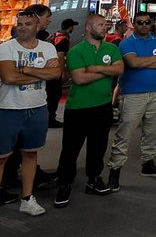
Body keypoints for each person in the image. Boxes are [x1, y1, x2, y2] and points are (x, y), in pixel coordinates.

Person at [0, 10, 62, 232]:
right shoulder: (7, 47)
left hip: (37, 109)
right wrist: (40, 72)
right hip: (9, 110)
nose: (22, 27)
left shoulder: (48, 47)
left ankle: (27, 199)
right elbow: (8, 77)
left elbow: (56, 74)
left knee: (30, 154)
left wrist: (24, 68)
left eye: (28, 24)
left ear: (38, 26)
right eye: (20, 23)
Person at [54, 14, 124, 207]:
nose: (105, 28)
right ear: (88, 27)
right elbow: (79, 79)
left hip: (102, 106)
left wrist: (93, 68)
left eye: (105, 25)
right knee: (71, 148)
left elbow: (119, 69)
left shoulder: (111, 47)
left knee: (98, 146)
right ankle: (64, 183)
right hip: (78, 108)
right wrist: (105, 69)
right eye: (100, 25)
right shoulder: (76, 51)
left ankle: (94, 179)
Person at [105, 12, 156, 193]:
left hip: (155, 93)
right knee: (124, 134)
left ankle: (148, 163)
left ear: (152, 24)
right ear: (134, 24)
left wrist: (145, 62)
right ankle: (114, 171)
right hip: (133, 95)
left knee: (151, 131)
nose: (144, 25)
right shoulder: (127, 42)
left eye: (147, 22)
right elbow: (133, 63)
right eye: (140, 22)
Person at [47, 18, 77, 129]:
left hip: (48, 69)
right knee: (54, 95)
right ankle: (51, 119)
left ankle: (49, 117)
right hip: (56, 70)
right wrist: (62, 72)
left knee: (50, 94)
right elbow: (61, 55)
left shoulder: (54, 35)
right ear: (70, 27)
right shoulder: (64, 39)